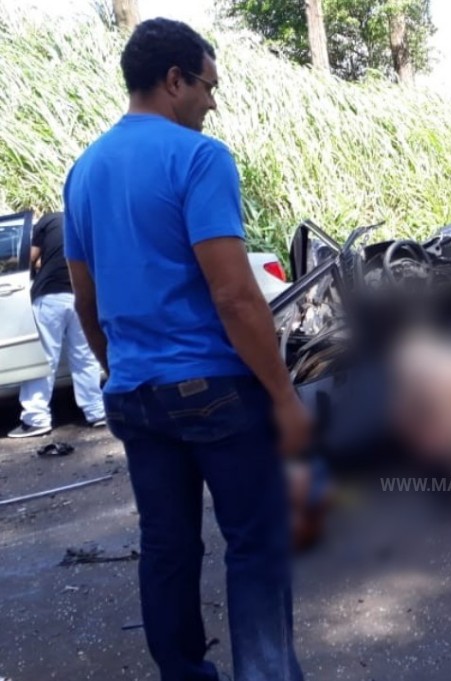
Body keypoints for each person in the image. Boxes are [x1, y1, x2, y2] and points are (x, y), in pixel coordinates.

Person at [62, 18, 311, 681]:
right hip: (215, 393)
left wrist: (123, 373)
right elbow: (234, 296)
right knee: (256, 543)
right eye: (207, 85)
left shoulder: (84, 172)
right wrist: (283, 395)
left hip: (136, 394)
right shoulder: (198, 158)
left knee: (167, 547)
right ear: (174, 80)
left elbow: (87, 301)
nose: (211, 101)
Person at [8, 211, 106, 438]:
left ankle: (36, 418)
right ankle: (96, 411)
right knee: (85, 357)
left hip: (51, 294)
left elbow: (31, 257)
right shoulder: (88, 221)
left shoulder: (47, 220)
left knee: (43, 358)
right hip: (82, 294)